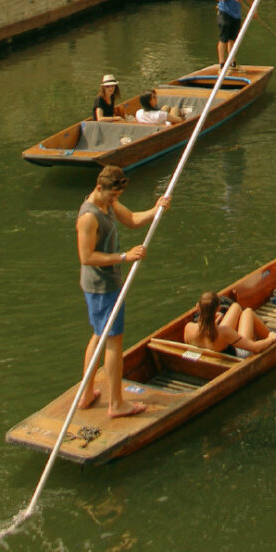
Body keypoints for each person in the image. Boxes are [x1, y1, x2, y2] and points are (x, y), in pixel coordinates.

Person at [76, 164, 171, 417]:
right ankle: (116, 403)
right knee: (113, 342)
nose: (115, 200)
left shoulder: (108, 204)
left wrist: (155, 209)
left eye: (118, 196)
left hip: (105, 285)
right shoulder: (88, 216)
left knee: (98, 336)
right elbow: (86, 256)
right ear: (99, 188)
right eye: (112, 195)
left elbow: (131, 219)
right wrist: (124, 256)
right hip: (102, 287)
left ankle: (85, 395)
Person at [183, 290, 273, 356]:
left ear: (198, 307)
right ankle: (272, 337)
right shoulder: (224, 332)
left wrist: (214, 322)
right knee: (248, 312)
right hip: (236, 356)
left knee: (236, 306)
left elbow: (205, 335)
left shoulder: (188, 328)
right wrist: (272, 338)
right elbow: (256, 348)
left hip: (211, 353)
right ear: (218, 308)